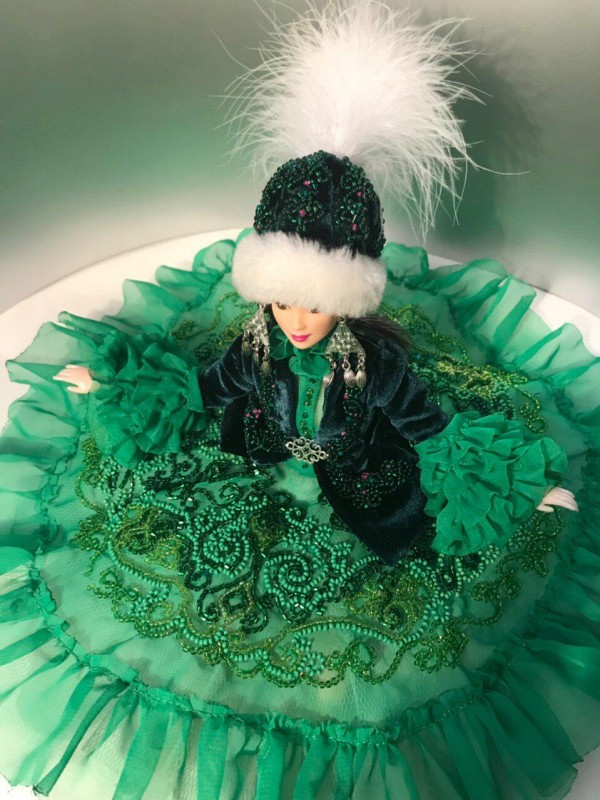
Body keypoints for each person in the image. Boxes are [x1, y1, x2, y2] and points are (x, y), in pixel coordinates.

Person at [0, 4, 597, 799]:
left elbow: (429, 427)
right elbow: (206, 389)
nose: (298, 320)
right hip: (259, 451)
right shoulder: (259, 340)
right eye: (283, 300)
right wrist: (113, 385)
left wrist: (520, 487)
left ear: (351, 298)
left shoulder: (373, 363)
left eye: (317, 303)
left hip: (365, 481)